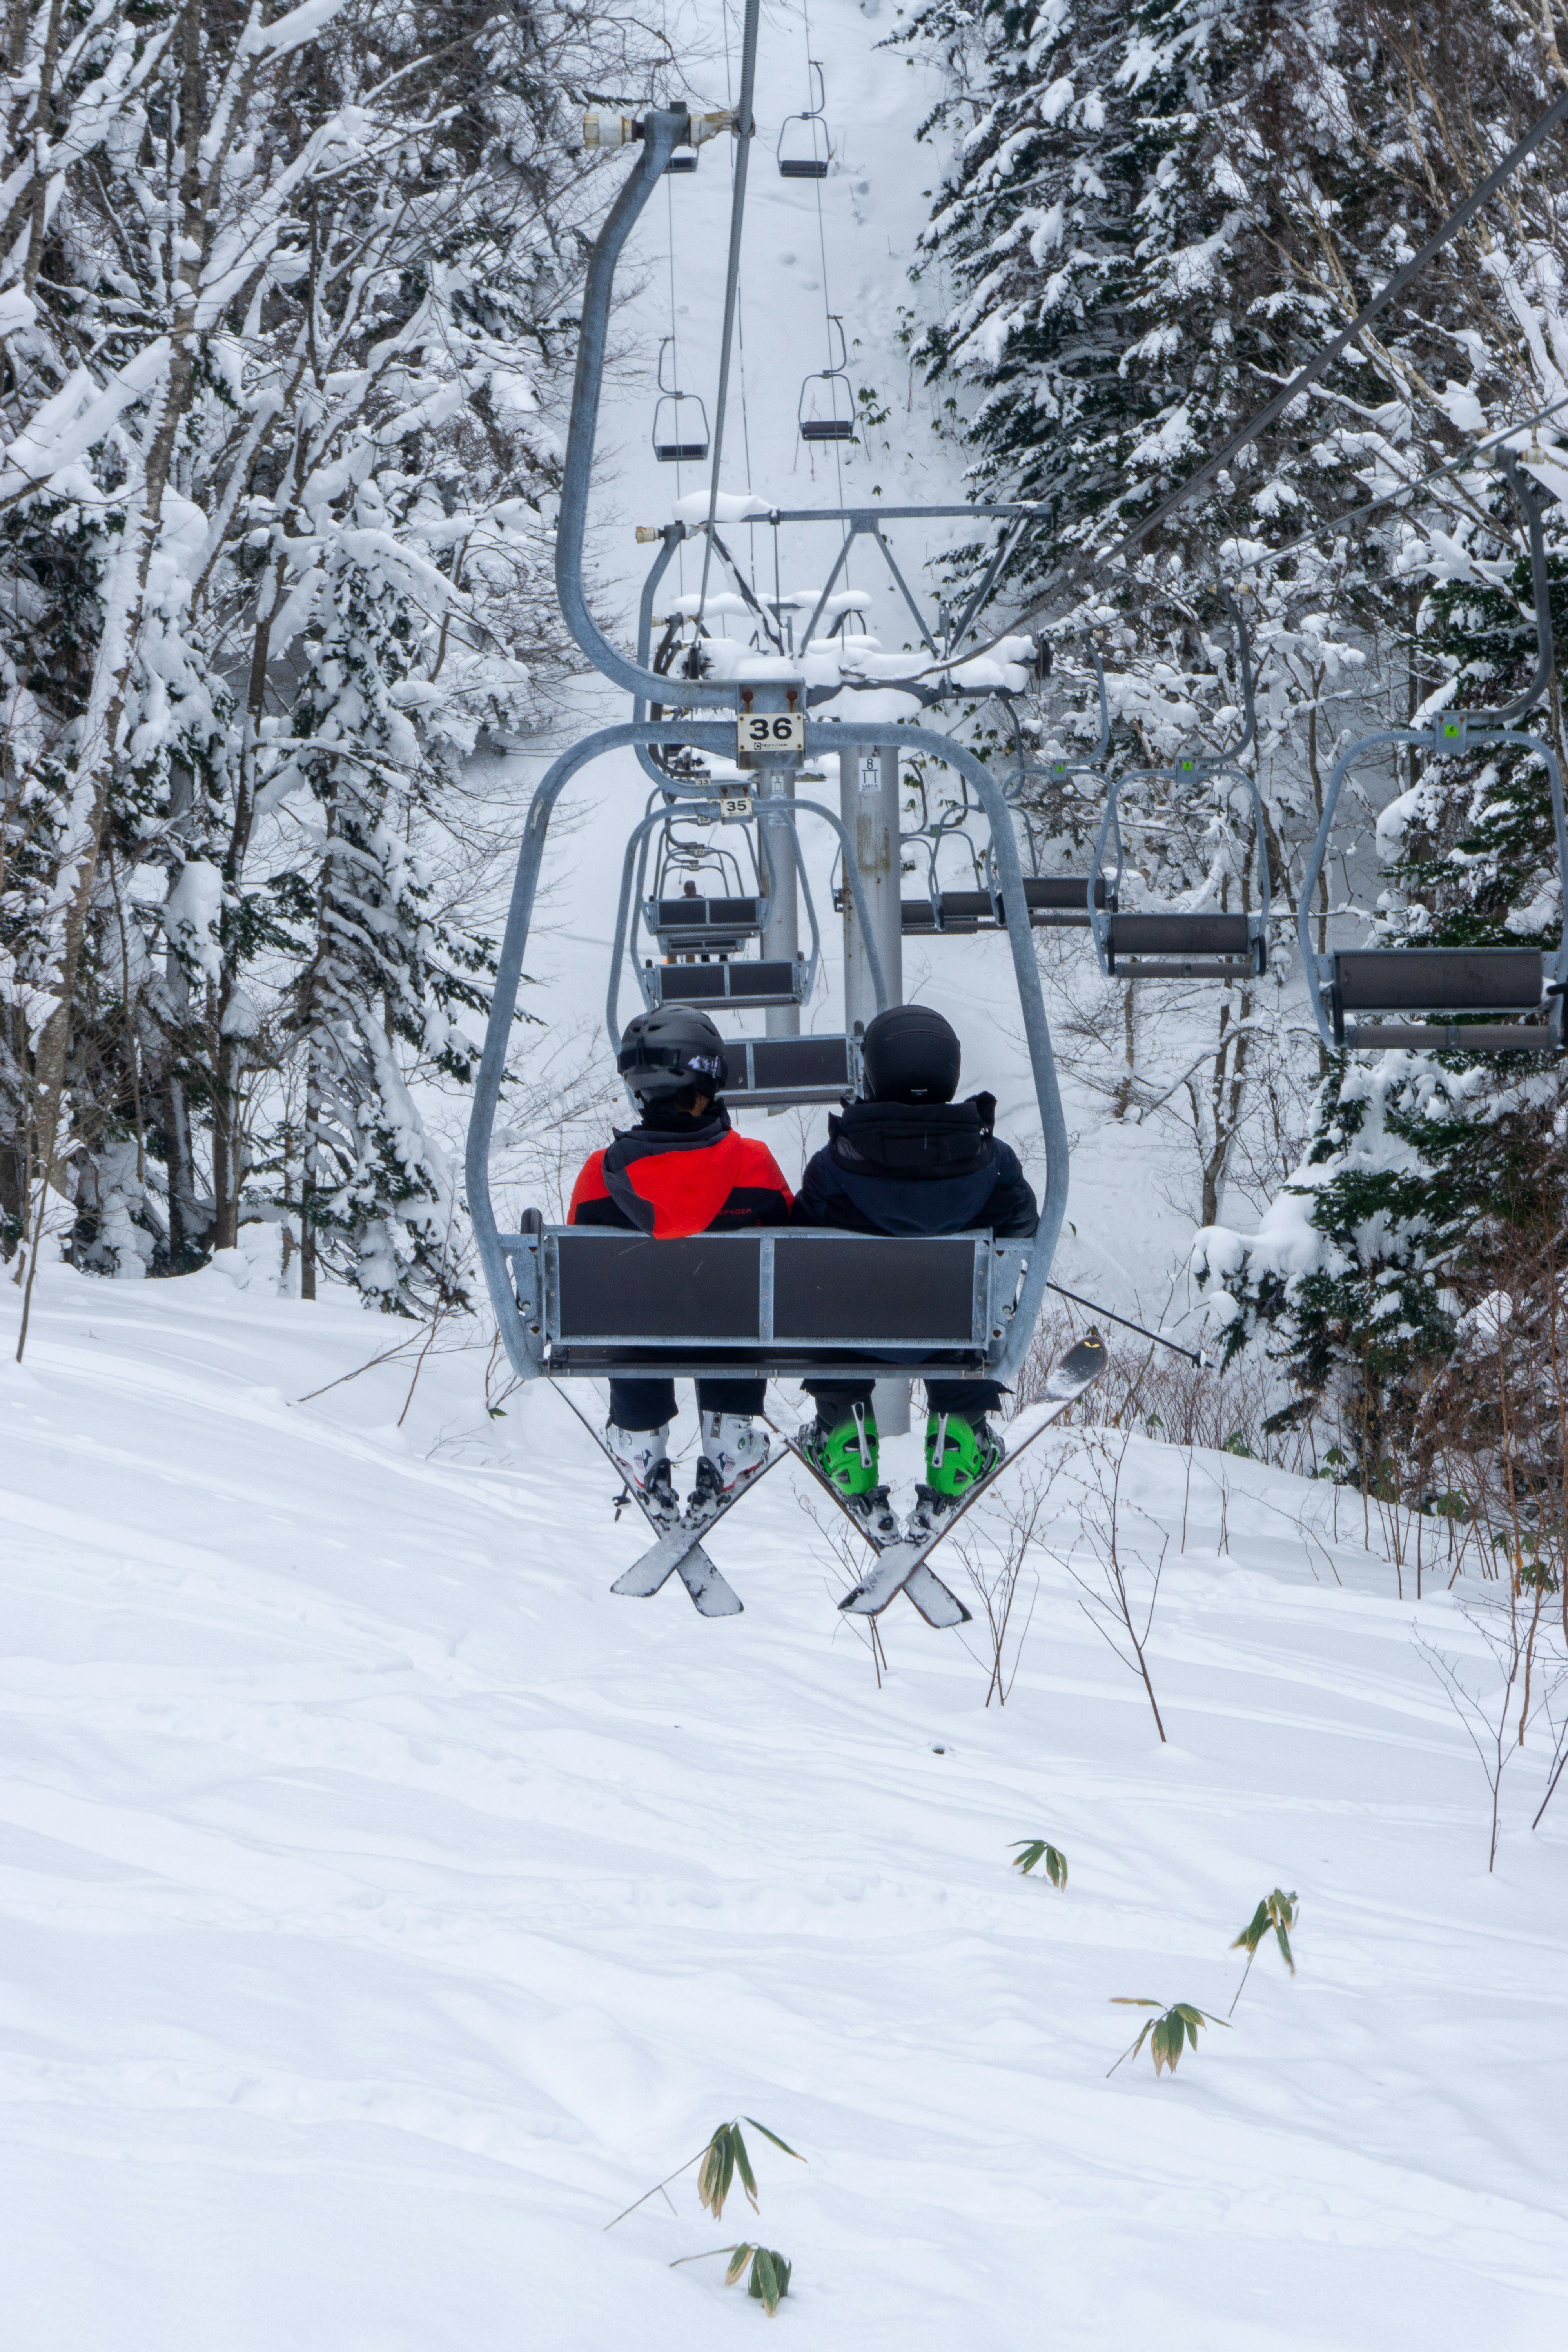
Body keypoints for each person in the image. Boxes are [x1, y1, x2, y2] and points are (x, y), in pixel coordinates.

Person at [792, 1004, 1038, 1535]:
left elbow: (800, 1240)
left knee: (829, 1309)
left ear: (874, 1071)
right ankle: (959, 1439)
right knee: (970, 1318)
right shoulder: (992, 1163)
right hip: (951, 1335)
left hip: (851, 1338)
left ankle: (844, 1434)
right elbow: (1023, 1230)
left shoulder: (834, 1165)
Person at [569, 1005, 792, 1529]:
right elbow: (789, 1250)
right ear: (711, 1076)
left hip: (640, 1341)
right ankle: (731, 1438)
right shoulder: (753, 1165)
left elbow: (584, 1277)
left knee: (626, 1305)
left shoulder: (599, 1177)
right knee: (739, 1300)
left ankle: (639, 1438)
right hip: (733, 1338)